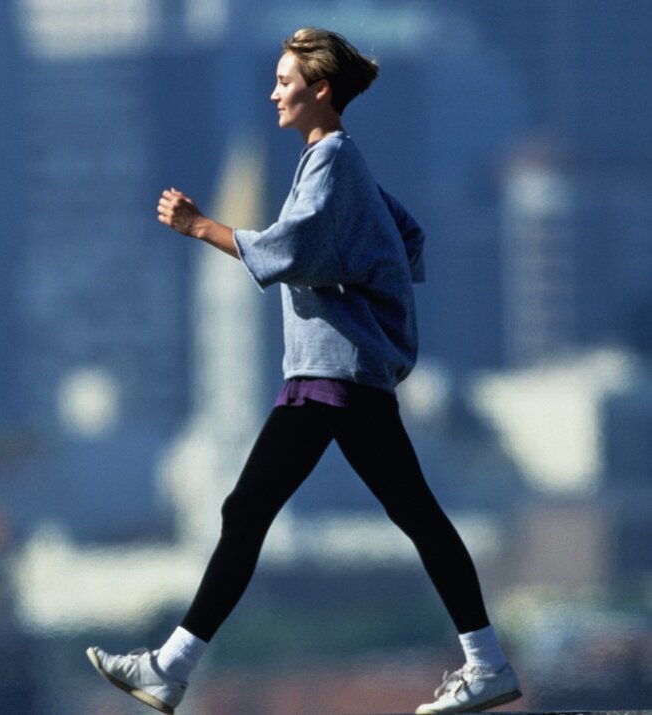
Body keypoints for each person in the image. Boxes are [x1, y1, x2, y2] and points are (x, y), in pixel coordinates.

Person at [87, 27, 522, 715]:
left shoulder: (332, 161)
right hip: (338, 373)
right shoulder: (334, 162)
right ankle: (486, 662)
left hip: (331, 376)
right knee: (403, 514)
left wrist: (200, 226)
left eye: (285, 82)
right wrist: (368, 275)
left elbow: (293, 248)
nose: (273, 94)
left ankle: (169, 668)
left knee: (255, 511)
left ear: (319, 90)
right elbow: (404, 236)